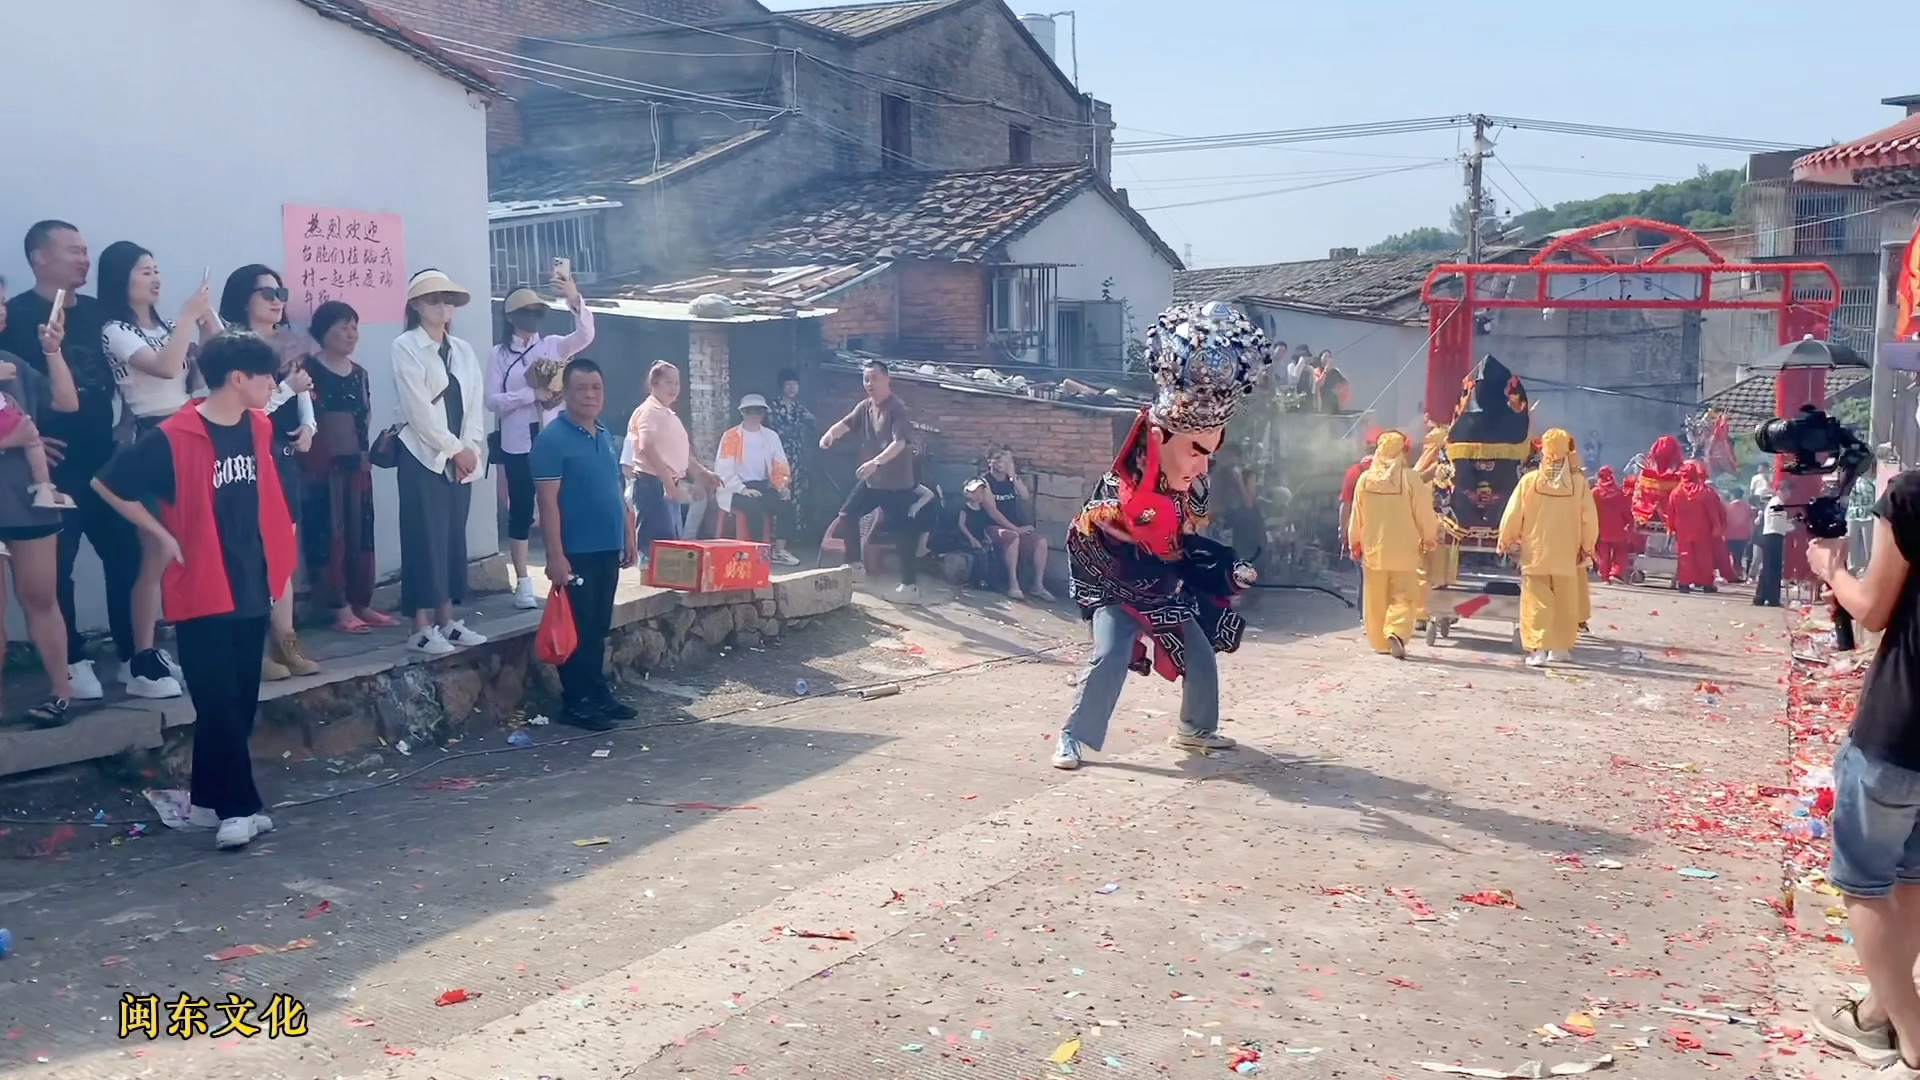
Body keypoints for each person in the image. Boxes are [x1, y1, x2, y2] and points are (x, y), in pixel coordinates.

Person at [92, 330, 295, 850]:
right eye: (266, 376)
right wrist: (161, 533)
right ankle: (239, 808)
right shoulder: (176, 434)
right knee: (217, 701)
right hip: (202, 585)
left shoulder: (258, 426)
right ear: (237, 378)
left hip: (250, 578)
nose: (273, 384)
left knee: (241, 700)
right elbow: (108, 484)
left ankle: (207, 801)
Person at [1052, 301, 1270, 771]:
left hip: (1163, 592)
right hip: (1117, 589)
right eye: (1195, 451)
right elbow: (1086, 542)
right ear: (1159, 441)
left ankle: (1195, 731)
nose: (1202, 465)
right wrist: (1127, 537)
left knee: (1201, 654)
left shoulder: (1193, 493)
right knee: (1109, 656)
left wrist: (1226, 568)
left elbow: (1186, 550)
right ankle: (1072, 736)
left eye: (1209, 453)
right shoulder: (1117, 493)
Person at [1805, 474, 1920, 1073]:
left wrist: (1832, 568)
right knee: (1912, 877)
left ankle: (1914, 1032)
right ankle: (1877, 1014)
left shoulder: (1910, 496)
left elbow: (1872, 609)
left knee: (1866, 880)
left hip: (1901, 729)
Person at [0, 221, 139, 701]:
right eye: (72, 251)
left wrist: (127, 422)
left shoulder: (103, 313)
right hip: (49, 468)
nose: (84, 259)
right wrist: (35, 438)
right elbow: (19, 397)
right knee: (58, 567)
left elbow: (127, 372)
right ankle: (73, 659)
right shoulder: (16, 316)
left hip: (106, 457)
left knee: (128, 552)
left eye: (86, 251)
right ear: (39, 257)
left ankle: (133, 655)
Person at [100, 242, 221, 699]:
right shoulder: (115, 330)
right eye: (144, 271)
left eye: (157, 270)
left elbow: (199, 371)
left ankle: (171, 644)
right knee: (154, 552)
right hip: (154, 439)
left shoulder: (169, 324)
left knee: (187, 547)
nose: (155, 279)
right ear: (121, 279)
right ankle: (141, 657)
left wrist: (205, 321)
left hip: (188, 433)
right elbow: (167, 365)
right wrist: (189, 317)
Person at [219, 265, 319, 681]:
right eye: (266, 293)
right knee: (247, 554)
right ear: (243, 299)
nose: (277, 300)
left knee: (283, 553)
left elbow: (304, 387)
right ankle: (252, 646)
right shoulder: (230, 346)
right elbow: (245, 407)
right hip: (246, 455)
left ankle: (287, 639)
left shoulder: (289, 340)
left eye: (281, 291)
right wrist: (287, 393)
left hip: (283, 454)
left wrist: (310, 424)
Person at [532, 358, 639, 731]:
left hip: (607, 547)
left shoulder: (605, 435)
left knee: (597, 627)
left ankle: (598, 693)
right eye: (581, 388)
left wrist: (628, 533)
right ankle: (575, 702)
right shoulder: (551, 441)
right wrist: (555, 555)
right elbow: (547, 503)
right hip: (574, 551)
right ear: (566, 392)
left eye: (596, 388)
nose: (590, 395)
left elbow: (616, 491)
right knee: (575, 628)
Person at [392, 268, 489, 656]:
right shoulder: (406, 346)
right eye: (434, 299)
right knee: (422, 536)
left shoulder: (462, 350)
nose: (443, 306)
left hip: (460, 460)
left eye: (448, 300)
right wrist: (453, 449)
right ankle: (419, 627)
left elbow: (474, 408)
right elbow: (418, 411)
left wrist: (471, 450)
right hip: (422, 456)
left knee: (452, 536)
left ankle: (447, 621)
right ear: (416, 305)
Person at [0, 279, 82, 726]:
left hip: (29, 504)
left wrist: (53, 352)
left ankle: (60, 692)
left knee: (41, 598)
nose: (0, 310)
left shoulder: (13, 365)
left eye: (1, 302)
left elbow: (66, 403)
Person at [490, 271, 593, 608]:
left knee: (561, 505)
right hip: (517, 439)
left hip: (552, 438)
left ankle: (564, 569)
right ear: (511, 317)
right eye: (525, 312)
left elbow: (585, 335)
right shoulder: (499, 356)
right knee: (520, 509)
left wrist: (574, 298)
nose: (532, 318)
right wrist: (528, 394)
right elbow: (492, 400)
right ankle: (521, 579)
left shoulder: (551, 346)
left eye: (537, 312)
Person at [299, 302, 394, 635]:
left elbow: (365, 417)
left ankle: (361, 602)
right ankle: (337, 606)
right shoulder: (306, 369)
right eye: (343, 326)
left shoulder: (360, 373)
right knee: (328, 533)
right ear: (323, 331)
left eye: (355, 326)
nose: (351, 333)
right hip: (322, 469)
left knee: (361, 533)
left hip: (358, 466)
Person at [819, 360, 929, 604]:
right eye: (866, 379)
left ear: (887, 379)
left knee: (902, 532)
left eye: (874, 378)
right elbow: (845, 424)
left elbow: (899, 443)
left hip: (897, 483)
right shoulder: (865, 407)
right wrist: (829, 435)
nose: (870, 384)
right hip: (873, 482)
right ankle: (855, 565)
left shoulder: (896, 407)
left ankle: (910, 586)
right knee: (848, 514)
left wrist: (875, 463)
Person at [1498, 429, 1598, 667]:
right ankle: (1560, 649)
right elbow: (1589, 520)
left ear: (1542, 449)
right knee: (1565, 601)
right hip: (1567, 555)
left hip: (1536, 554)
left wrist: (1506, 539)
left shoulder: (1530, 482)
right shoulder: (1579, 484)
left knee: (1536, 603)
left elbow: (1513, 514)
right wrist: (1588, 547)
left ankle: (1538, 650)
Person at [1349, 430, 1437, 659]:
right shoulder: (1411, 480)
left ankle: (1379, 642)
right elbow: (1424, 513)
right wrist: (1430, 537)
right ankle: (1396, 631)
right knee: (1404, 596)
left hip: (1373, 550)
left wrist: (1354, 541)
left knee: (1375, 599)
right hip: (1404, 551)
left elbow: (1356, 515)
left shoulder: (1365, 480)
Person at [623, 361, 718, 560]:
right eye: (669, 382)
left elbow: (681, 454)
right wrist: (668, 484)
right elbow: (646, 446)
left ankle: (666, 584)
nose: (674, 388)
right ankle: (652, 581)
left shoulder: (668, 414)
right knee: (657, 545)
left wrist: (703, 472)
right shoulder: (649, 411)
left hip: (668, 483)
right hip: (652, 483)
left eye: (677, 383)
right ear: (654, 383)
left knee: (671, 544)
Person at [712, 393, 796, 556]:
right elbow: (724, 470)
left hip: (761, 485)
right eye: (749, 411)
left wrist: (782, 485)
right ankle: (756, 553)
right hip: (734, 489)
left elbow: (780, 464)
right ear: (742, 413)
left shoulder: (771, 436)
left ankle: (779, 550)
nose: (754, 415)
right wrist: (743, 489)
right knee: (754, 509)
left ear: (764, 414)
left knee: (785, 504)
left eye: (758, 411)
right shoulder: (731, 436)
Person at [974, 447, 1053, 601]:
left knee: (1040, 542)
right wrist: (1016, 529)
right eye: (1002, 459)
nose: (1005, 463)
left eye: (1008, 460)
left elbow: (1024, 496)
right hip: (991, 528)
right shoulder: (984, 482)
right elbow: (993, 513)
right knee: (1012, 536)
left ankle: (1038, 585)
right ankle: (1013, 584)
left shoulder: (1010, 481)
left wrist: (1013, 476)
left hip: (1015, 526)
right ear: (992, 461)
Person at [765, 369, 817, 563]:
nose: (792, 387)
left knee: (795, 496)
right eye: (788, 384)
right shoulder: (772, 407)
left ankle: (789, 540)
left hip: (796, 457)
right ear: (782, 386)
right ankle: (771, 541)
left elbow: (814, 422)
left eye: (795, 384)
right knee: (779, 494)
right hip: (777, 456)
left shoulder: (799, 408)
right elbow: (773, 428)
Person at [1666, 462, 1719, 594]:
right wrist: (1716, 527)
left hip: (1683, 531)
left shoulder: (1676, 492)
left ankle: (1684, 584)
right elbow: (1712, 512)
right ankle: (1706, 584)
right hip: (1703, 530)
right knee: (1704, 557)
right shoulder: (1704, 492)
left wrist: (1671, 528)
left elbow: (1671, 513)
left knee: (1685, 557)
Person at [1590, 465, 1634, 583]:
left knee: (1603, 555)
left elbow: (1589, 511)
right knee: (1621, 553)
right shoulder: (1619, 492)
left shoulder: (1595, 493)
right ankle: (1615, 573)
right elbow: (1626, 510)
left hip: (1600, 530)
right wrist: (1630, 522)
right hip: (1618, 529)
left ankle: (1604, 577)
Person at [1756, 492, 1789, 607]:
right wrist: (1792, 525)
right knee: (1774, 569)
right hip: (1774, 535)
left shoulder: (1774, 503)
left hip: (1770, 535)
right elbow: (1778, 523)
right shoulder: (1777, 503)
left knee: (1767, 568)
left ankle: (1761, 597)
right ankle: (1772, 598)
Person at [1724, 488, 1754, 582]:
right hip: (1742, 535)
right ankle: (1738, 574)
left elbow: (1726, 521)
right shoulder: (1747, 507)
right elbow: (1750, 522)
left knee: (1729, 556)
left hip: (1730, 534)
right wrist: (1750, 534)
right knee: (1739, 556)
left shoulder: (1728, 507)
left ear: (1733, 495)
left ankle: (1731, 575)